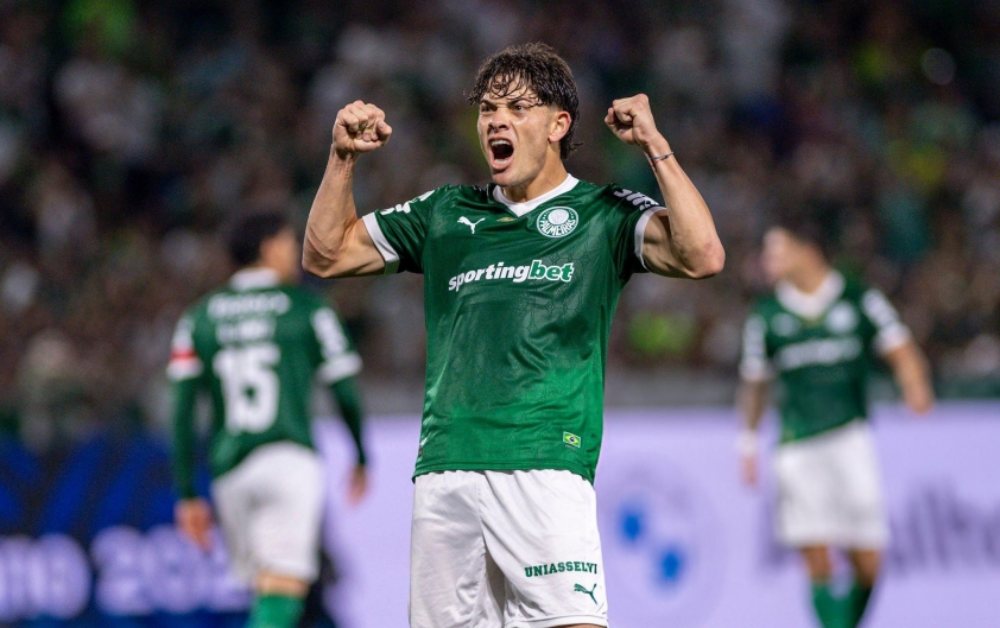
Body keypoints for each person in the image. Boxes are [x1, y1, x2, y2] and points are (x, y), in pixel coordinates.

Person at [302, 42, 723, 628]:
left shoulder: (602, 213)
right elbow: (325, 255)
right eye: (487, 110)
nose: (496, 121)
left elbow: (702, 255)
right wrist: (342, 158)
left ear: (558, 124)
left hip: (544, 461)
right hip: (446, 467)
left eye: (517, 108)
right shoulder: (445, 212)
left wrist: (656, 147)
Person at [169, 210, 368, 628]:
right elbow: (344, 391)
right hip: (287, 459)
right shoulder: (306, 308)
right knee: (283, 589)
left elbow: (182, 411)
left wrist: (187, 492)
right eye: (288, 242)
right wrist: (361, 453)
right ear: (268, 247)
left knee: (267, 589)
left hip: (230, 469)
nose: (294, 252)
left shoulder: (198, 317)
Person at [737, 217, 934, 628]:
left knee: (869, 559)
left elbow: (900, 346)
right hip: (797, 445)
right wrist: (748, 442)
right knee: (816, 555)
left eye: (777, 251)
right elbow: (755, 384)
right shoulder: (766, 315)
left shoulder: (859, 298)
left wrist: (914, 384)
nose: (768, 261)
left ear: (807, 252)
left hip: (850, 437)